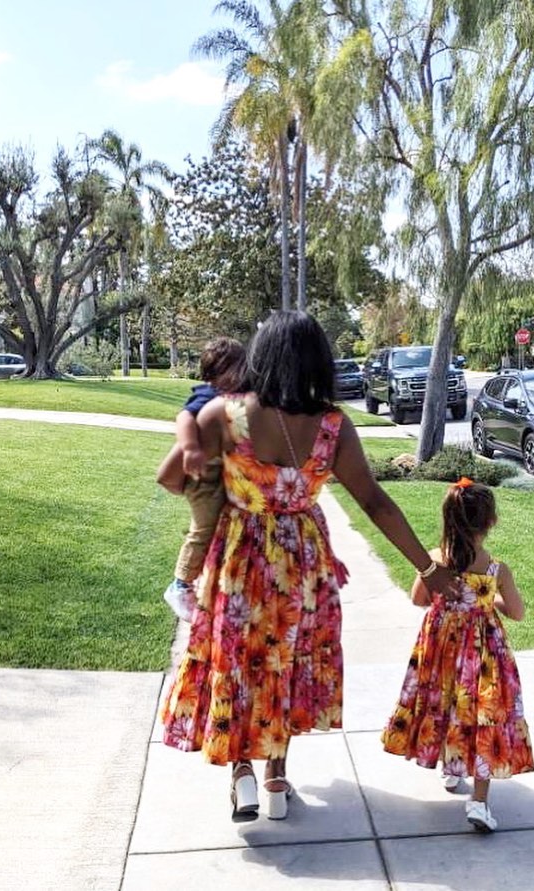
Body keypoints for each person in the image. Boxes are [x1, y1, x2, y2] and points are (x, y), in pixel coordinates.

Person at [161, 310, 461, 823]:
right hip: (303, 564)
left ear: (261, 357)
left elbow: (169, 477)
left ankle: (243, 776)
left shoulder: (226, 416)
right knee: (289, 662)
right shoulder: (332, 426)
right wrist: (427, 569)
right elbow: (375, 502)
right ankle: (276, 776)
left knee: (240, 663)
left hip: (241, 560)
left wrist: (212, 472)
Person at [381, 477, 534, 832]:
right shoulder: (497, 570)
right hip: (483, 655)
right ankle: (478, 803)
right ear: (491, 522)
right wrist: (486, 599)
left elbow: (419, 599)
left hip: (441, 651)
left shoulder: (434, 561)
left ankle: (451, 771)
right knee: (483, 714)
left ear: (448, 518)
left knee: (445, 704)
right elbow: (517, 612)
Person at [159, 337, 246, 621]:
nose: (242, 375)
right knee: (204, 527)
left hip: (219, 474)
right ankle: (180, 585)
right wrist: (191, 448)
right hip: (203, 476)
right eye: (235, 369)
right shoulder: (209, 395)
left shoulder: (236, 395)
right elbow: (184, 417)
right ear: (215, 374)